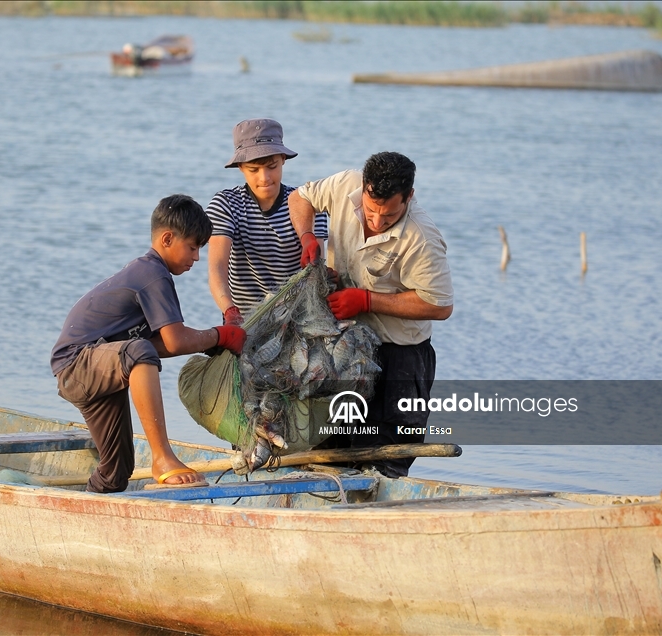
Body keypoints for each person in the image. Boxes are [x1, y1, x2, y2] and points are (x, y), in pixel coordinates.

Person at [50, 195, 246, 493]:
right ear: (167, 238)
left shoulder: (152, 273)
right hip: (77, 364)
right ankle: (162, 457)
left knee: (116, 472)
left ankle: (84, 506)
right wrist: (221, 335)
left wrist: (212, 340)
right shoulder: (152, 274)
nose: (196, 257)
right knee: (139, 351)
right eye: (192, 247)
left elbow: (164, 343)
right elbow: (175, 341)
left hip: (101, 365)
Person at [288, 152, 454, 477]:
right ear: (363, 188)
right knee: (327, 450)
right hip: (342, 347)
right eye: (370, 211)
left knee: (387, 459)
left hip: (399, 358)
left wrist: (366, 300)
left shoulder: (422, 239)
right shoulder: (344, 183)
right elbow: (300, 198)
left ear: (409, 197)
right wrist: (308, 236)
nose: (376, 222)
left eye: (389, 216)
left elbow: (440, 305)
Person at [207, 118, 328, 325]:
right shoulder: (226, 204)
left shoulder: (309, 204)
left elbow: (316, 272)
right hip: (245, 319)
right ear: (241, 168)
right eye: (253, 170)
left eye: (271, 166)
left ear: (283, 159)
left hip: (297, 319)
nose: (264, 178)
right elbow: (217, 268)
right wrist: (229, 311)